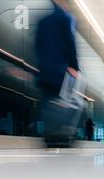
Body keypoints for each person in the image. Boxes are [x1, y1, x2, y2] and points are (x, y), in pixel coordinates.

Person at [36, 0, 79, 148]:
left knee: (48, 103)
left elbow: (38, 48)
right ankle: (62, 136)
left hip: (45, 72)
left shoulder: (43, 22)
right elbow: (70, 43)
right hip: (61, 71)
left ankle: (49, 137)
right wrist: (74, 66)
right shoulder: (66, 19)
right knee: (64, 102)